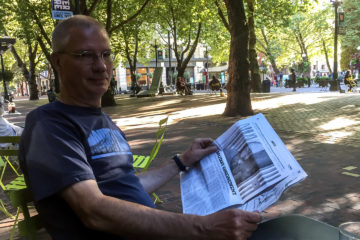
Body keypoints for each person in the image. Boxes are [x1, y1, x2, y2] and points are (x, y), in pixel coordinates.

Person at [19, 15, 261, 240]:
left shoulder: (102, 120)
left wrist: (182, 160)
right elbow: (93, 210)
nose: (101, 66)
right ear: (57, 61)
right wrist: (203, 226)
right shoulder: (49, 125)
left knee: (279, 226)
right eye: (85, 55)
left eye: (106, 54)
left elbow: (127, 185)